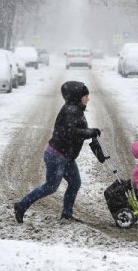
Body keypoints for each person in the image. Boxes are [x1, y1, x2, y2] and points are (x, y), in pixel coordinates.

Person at [14, 81, 101, 223]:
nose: (88, 99)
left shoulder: (76, 109)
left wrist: (89, 132)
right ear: (77, 96)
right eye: (86, 96)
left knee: (74, 182)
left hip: (66, 156)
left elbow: (75, 131)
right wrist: (88, 132)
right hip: (56, 155)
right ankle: (21, 205)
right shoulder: (70, 110)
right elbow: (71, 133)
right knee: (51, 186)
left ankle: (67, 214)